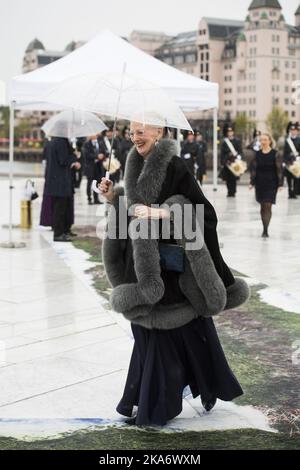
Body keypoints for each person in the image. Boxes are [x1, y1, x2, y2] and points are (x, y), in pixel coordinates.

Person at [99, 122, 249, 427]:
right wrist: (114, 197)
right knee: (158, 332)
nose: (135, 136)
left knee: (163, 334)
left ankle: (156, 405)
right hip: (141, 264)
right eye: (132, 131)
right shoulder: (133, 163)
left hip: (171, 270)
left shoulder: (176, 165)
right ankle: (168, 392)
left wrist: (164, 212)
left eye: (142, 131)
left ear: (159, 133)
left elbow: (204, 214)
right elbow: (133, 209)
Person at [44, 137, 80, 242]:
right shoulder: (61, 142)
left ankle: (63, 230)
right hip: (60, 182)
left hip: (56, 181)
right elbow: (63, 160)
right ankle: (58, 234)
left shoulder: (54, 141)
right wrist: (75, 156)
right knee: (59, 209)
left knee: (62, 208)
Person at [249, 133, 283, 238]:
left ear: (270, 141)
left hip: (272, 183)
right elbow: (254, 169)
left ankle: (265, 230)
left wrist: (280, 184)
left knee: (268, 205)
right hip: (260, 183)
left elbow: (279, 170)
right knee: (262, 206)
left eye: (265, 140)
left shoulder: (275, 153)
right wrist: (252, 182)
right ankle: (264, 226)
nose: (263, 142)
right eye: (261, 140)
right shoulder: (257, 154)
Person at [220, 124, 243, 198]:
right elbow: (222, 153)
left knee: (234, 178)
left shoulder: (237, 141)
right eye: (228, 131)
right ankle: (229, 191)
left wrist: (239, 157)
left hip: (235, 162)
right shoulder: (224, 142)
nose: (230, 132)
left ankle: (233, 191)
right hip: (227, 162)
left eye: (231, 131)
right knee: (227, 178)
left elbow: (240, 151)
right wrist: (223, 161)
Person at [82, 135, 105, 205]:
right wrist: (96, 156)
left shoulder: (100, 142)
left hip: (98, 166)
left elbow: (103, 152)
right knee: (89, 183)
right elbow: (87, 155)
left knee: (97, 182)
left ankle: (96, 199)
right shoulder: (86, 144)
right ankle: (89, 198)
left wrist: (103, 155)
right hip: (90, 166)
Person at [283, 122, 300, 199]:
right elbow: (285, 151)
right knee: (289, 178)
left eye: (295, 130)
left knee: (296, 177)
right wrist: (284, 161)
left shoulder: (299, 139)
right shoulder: (287, 141)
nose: (293, 131)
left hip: (297, 162)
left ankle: (295, 193)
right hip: (289, 161)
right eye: (292, 130)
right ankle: (290, 193)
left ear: (297, 131)